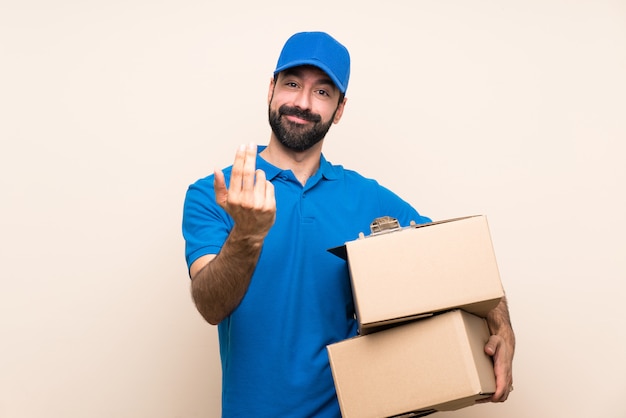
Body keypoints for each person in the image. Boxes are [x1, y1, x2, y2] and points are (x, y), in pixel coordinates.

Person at [182, 31, 515, 417]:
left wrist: (502, 325)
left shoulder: (369, 199)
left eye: (322, 92)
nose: (302, 102)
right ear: (271, 88)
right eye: (292, 84)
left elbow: (461, 261)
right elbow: (210, 306)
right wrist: (247, 235)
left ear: (339, 109)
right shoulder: (217, 193)